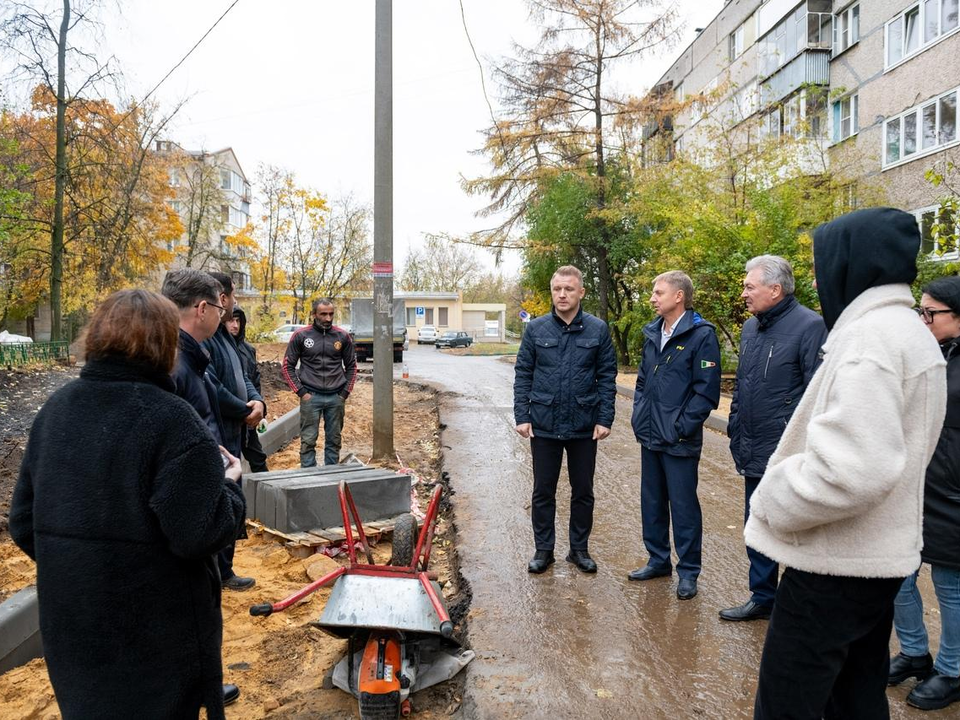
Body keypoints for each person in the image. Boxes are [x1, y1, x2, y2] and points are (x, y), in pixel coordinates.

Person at [746, 207, 947, 719]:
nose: (816, 277)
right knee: (855, 696)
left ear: (852, 264)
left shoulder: (870, 340)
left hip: (834, 563)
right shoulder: (905, 329)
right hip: (875, 557)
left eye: (822, 263)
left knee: (787, 702)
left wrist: (772, 497)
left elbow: (850, 470)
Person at [9, 289, 247, 720]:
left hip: (72, 627)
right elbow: (199, 534)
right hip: (156, 638)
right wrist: (229, 484)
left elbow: (23, 522)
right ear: (165, 344)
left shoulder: (55, 411)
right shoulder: (172, 419)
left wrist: (82, 569)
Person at [720, 256, 827, 622]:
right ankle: (763, 596)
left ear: (775, 290)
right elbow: (744, 388)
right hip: (754, 444)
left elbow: (818, 394)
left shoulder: (811, 327)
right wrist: (735, 426)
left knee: (796, 529)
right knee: (758, 524)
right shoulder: (751, 329)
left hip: (790, 452)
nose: (744, 293)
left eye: (750, 286)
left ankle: (799, 605)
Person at [513, 265, 617, 574]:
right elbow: (523, 374)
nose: (562, 294)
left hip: (584, 425)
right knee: (543, 491)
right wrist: (522, 415)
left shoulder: (598, 330)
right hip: (544, 423)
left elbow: (607, 377)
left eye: (569, 289)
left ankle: (578, 550)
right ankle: (544, 551)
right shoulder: (536, 329)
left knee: (583, 491)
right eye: (557, 289)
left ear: (581, 292)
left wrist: (605, 418)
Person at [888, 276, 960, 712]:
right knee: (898, 576)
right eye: (921, 309)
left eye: (931, 312)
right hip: (913, 485)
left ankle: (952, 670)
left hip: (952, 495)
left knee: (950, 586)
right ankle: (914, 652)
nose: (923, 318)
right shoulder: (927, 352)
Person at [629, 270, 720, 600]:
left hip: (679, 439)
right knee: (651, 502)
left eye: (658, 292)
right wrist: (640, 414)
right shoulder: (653, 332)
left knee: (683, 507)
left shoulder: (701, 335)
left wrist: (681, 427)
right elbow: (641, 381)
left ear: (678, 296)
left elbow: (706, 392)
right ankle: (658, 560)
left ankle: (689, 572)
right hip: (650, 434)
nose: (652, 298)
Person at [203, 271, 262, 591]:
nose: (236, 302)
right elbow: (212, 386)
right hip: (221, 431)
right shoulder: (208, 339)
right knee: (221, 498)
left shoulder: (227, 337)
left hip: (234, 429)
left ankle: (225, 569)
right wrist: (243, 410)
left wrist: (257, 402)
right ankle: (219, 572)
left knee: (231, 496)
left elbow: (243, 377)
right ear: (222, 299)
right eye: (234, 295)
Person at [282, 298, 357, 467]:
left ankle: (330, 476)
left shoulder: (342, 336)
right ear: (314, 314)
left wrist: (344, 393)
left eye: (331, 314)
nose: (328, 318)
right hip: (311, 396)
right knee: (308, 441)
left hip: (336, 397)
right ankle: (308, 478)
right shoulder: (301, 336)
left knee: (334, 441)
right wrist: (302, 393)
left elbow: (352, 366)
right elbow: (287, 366)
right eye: (323, 314)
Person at [227, 305, 269, 473]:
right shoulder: (217, 348)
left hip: (250, 415)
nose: (235, 325)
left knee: (258, 457)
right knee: (230, 461)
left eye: (238, 321)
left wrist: (260, 409)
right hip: (229, 415)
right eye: (231, 320)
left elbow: (254, 379)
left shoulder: (248, 350)